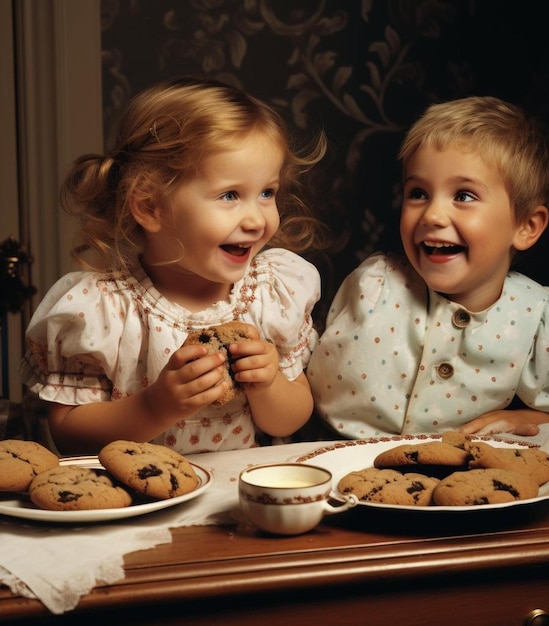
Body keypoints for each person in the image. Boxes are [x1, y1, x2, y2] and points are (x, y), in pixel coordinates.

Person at [20, 76, 329, 455]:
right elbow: (68, 432)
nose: (256, 219)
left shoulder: (272, 294)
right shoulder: (103, 311)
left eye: (267, 192)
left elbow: (292, 420)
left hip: (240, 496)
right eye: (230, 195)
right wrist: (154, 406)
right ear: (151, 206)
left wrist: (270, 386)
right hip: (142, 501)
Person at [307, 95, 549, 440]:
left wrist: (524, 418)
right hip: (343, 471)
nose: (432, 215)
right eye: (418, 193)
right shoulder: (374, 286)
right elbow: (313, 390)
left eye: (464, 196)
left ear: (526, 225)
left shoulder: (541, 318)